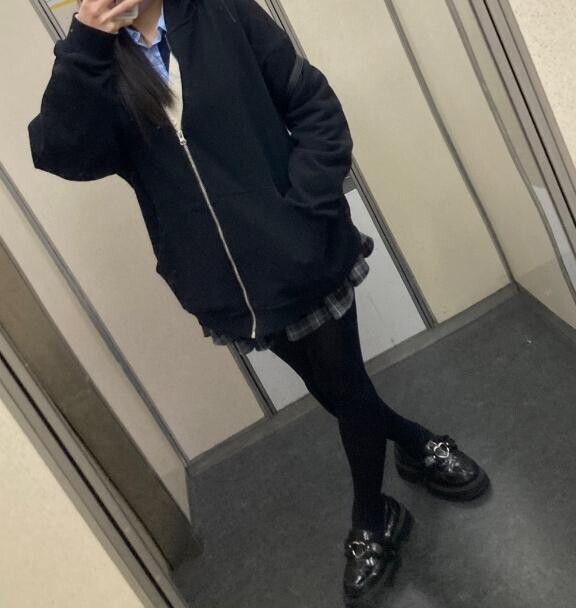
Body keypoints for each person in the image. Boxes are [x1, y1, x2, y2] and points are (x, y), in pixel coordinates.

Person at [27, 0, 490, 600]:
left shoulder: (222, 13)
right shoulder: (95, 64)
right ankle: (415, 442)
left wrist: (305, 212)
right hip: (228, 287)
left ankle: (373, 517)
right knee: (339, 390)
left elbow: (312, 104)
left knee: (346, 387)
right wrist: (86, 43)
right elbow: (61, 153)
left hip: (305, 255)